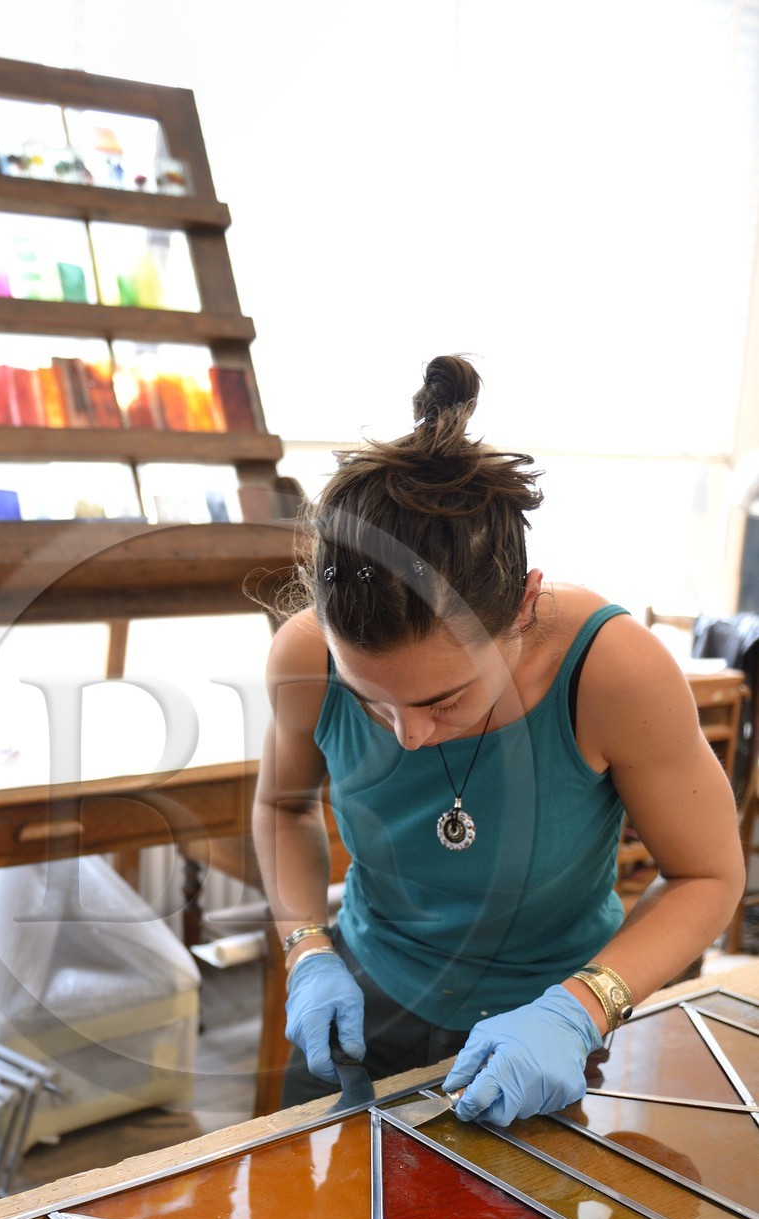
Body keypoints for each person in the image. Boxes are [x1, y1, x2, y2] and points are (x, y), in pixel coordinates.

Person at [252, 355, 745, 1122]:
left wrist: (580, 1011)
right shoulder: (305, 654)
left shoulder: (611, 672)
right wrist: (308, 948)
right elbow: (282, 809)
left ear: (523, 606)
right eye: (371, 702)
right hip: (368, 996)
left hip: (549, 1022)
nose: (411, 737)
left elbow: (709, 876)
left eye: (444, 699)